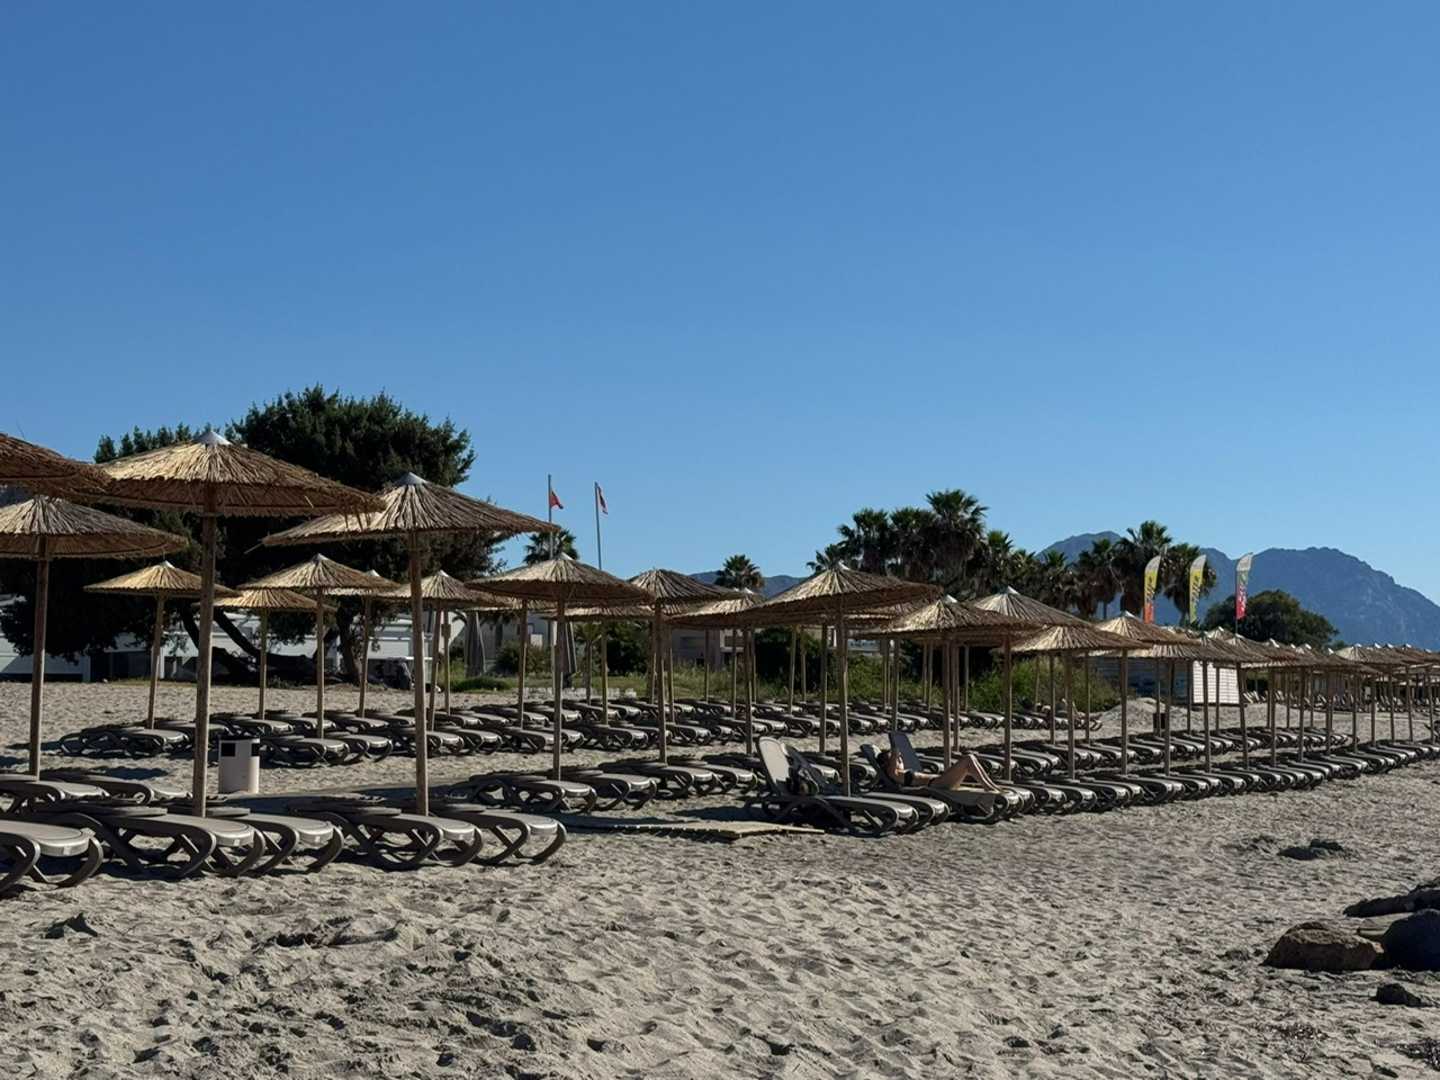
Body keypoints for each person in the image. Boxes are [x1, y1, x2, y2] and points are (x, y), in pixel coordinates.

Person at [878, 746, 1001, 792]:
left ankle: (991, 785)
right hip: (936, 784)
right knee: (968, 758)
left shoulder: (902, 772)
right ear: (889, 763)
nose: (899, 759)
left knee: (971, 758)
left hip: (940, 781)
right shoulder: (895, 774)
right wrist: (894, 752)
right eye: (896, 759)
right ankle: (988, 787)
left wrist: (895, 755)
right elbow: (892, 771)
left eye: (899, 758)